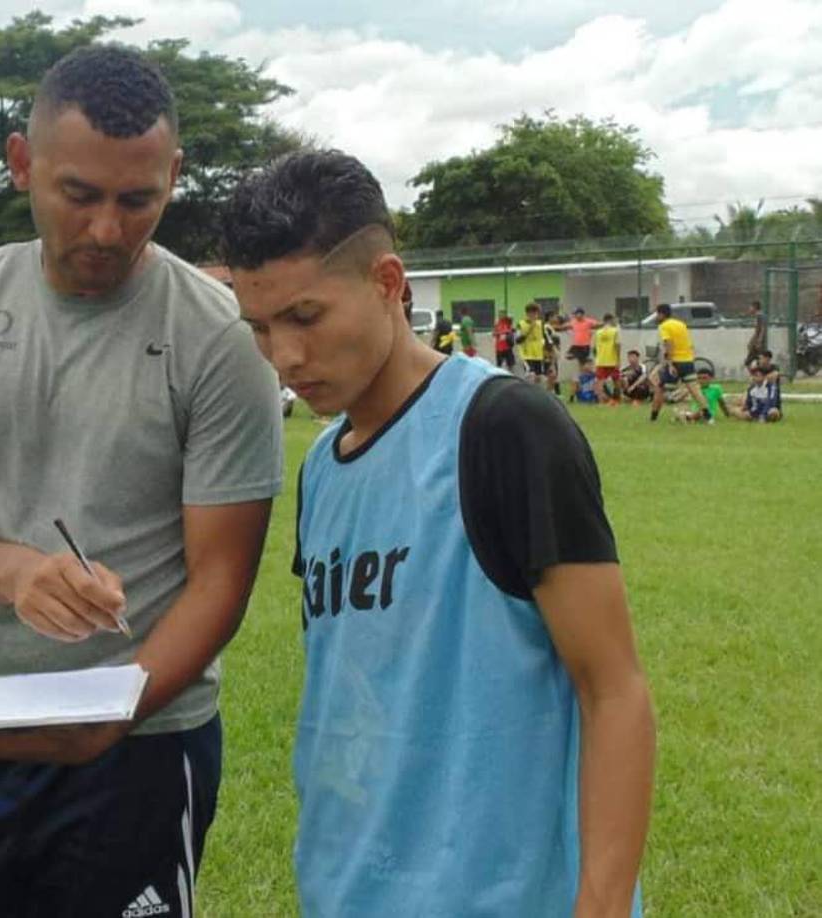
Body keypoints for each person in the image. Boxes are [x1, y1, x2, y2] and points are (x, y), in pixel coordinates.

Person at [0, 46, 282, 918]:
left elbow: (222, 579)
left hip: (145, 744)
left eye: (136, 199)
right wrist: (20, 574)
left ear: (173, 177)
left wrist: (115, 713)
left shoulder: (218, 337)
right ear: (21, 162)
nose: (107, 229)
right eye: (79, 194)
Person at [222, 149, 654, 918]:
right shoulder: (323, 465)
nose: (284, 358)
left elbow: (613, 690)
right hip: (345, 889)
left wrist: (603, 903)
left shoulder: (503, 429)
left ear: (389, 284)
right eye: (259, 327)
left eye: (305, 316)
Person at [648, 302, 712, 423]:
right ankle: (708, 416)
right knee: (695, 390)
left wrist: (670, 363)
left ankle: (653, 418)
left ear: (662, 314)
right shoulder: (681, 324)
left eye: (657, 314)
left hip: (676, 362)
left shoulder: (664, 326)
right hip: (688, 361)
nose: (656, 316)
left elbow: (669, 344)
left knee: (659, 388)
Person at [593, 313, 621, 403]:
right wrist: (618, 359)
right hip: (612, 360)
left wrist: (597, 357)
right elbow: (617, 345)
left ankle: (600, 401)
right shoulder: (615, 331)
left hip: (600, 360)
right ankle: (617, 399)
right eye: (614, 320)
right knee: (616, 380)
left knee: (600, 381)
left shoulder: (598, 332)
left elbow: (594, 347)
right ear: (611, 320)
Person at [516, 302, 546, 382]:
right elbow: (518, 340)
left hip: (538, 355)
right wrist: (530, 328)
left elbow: (545, 337)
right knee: (530, 375)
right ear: (528, 313)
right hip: (526, 355)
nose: (535, 316)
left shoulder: (540, 324)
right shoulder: (521, 324)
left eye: (537, 313)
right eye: (533, 313)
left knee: (539, 378)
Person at [542, 308, 562, 395]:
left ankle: (552, 392)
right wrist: (553, 352)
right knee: (551, 374)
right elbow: (548, 342)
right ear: (549, 317)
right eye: (554, 316)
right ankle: (549, 393)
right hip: (548, 354)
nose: (556, 318)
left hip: (551, 353)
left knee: (553, 374)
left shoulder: (550, 327)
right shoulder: (546, 327)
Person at [745, 300, 767, 368]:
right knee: (755, 359)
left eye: (750, 307)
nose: (749, 309)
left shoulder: (760, 315)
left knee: (749, 361)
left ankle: (759, 374)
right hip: (756, 342)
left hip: (758, 343)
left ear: (755, 307)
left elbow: (763, 328)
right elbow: (757, 331)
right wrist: (752, 341)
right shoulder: (758, 316)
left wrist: (759, 341)